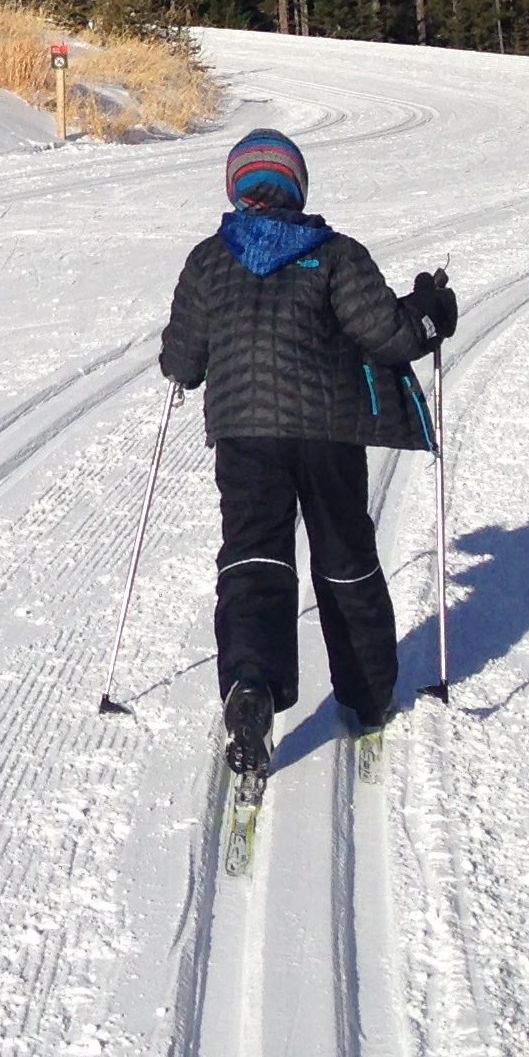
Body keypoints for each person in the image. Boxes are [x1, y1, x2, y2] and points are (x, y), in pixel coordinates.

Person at [158, 128, 458, 779]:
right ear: (297, 188)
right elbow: (393, 336)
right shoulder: (335, 255)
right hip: (328, 433)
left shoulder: (208, 260)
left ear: (237, 189)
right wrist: (433, 311)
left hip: (245, 434)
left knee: (254, 558)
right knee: (345, 555)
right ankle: (370, 694)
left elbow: (181, 363)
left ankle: (251, 686)